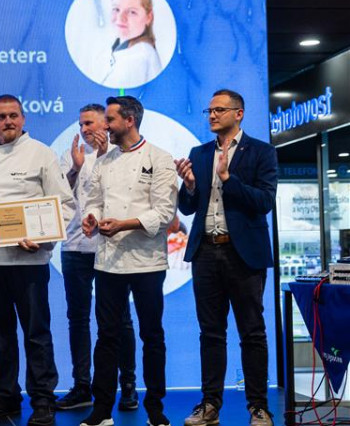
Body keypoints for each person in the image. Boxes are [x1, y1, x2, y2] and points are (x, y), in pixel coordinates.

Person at [0, 95, 75, 426]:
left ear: (23, 119)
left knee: (36, 333)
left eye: (13, 116)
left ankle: (43, 400)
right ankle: (6, 397)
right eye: (1, 117)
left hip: (29, 261)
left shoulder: (42, 154)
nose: (8, 121)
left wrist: (43, 238)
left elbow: (64, 204)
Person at [175, 89, 277, 426]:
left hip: (243, 253)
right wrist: (189, 185)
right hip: (206, 251)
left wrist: (227, 180)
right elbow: (189, 206)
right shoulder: (200, 153)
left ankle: (259, 407)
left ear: (239, 113)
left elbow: (264, 201)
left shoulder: (261, 152)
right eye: (209, 110)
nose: (212, 115)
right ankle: (209, 405)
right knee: (211, 333)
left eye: (219, 110)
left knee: (252, 332)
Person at [79, 96, 177, 426]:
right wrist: (92, 219)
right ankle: (102, 409)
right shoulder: (104, 163)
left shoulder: (159, 159)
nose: (105, 125)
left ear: (130, 120)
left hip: (148, 261)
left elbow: (164, 213)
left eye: (110, 119)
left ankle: (155, 409)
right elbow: (93, 201)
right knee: (107, 336)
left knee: (152, 335)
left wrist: (124, 224)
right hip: (108, 262)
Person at [56, 104, 139, 412]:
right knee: (77, 319)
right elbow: (60, 196)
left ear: (107, 123)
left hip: (109, 246)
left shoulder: (120, 154)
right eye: (81, 123)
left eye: (89, 122)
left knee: (120, 319)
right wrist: (77, 168)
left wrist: (103, 158)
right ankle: (81, 386)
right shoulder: (71, 154)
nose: (84, 129)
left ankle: (127, 384)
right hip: (75, 248)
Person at [93, 0, 162, 88]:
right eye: (116, 9)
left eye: (132, 12)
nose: (120, 18)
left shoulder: (140, 56)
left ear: (148, 17)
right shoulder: (116, 47)